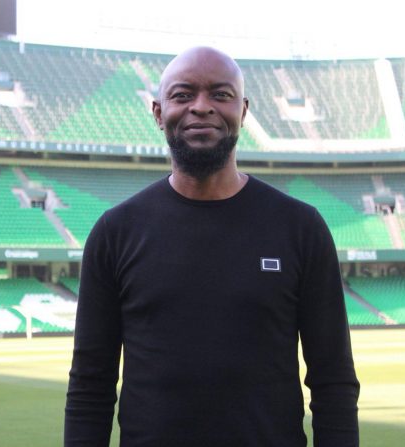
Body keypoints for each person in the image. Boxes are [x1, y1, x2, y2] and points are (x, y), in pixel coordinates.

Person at [65, 46, 359, 446]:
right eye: (183, 95)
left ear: (244, 110)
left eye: (221, 94)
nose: (201, 107)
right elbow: (90, 386)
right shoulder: (115, 232)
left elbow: (333, 381)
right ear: (158, 113)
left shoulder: (300, 228)